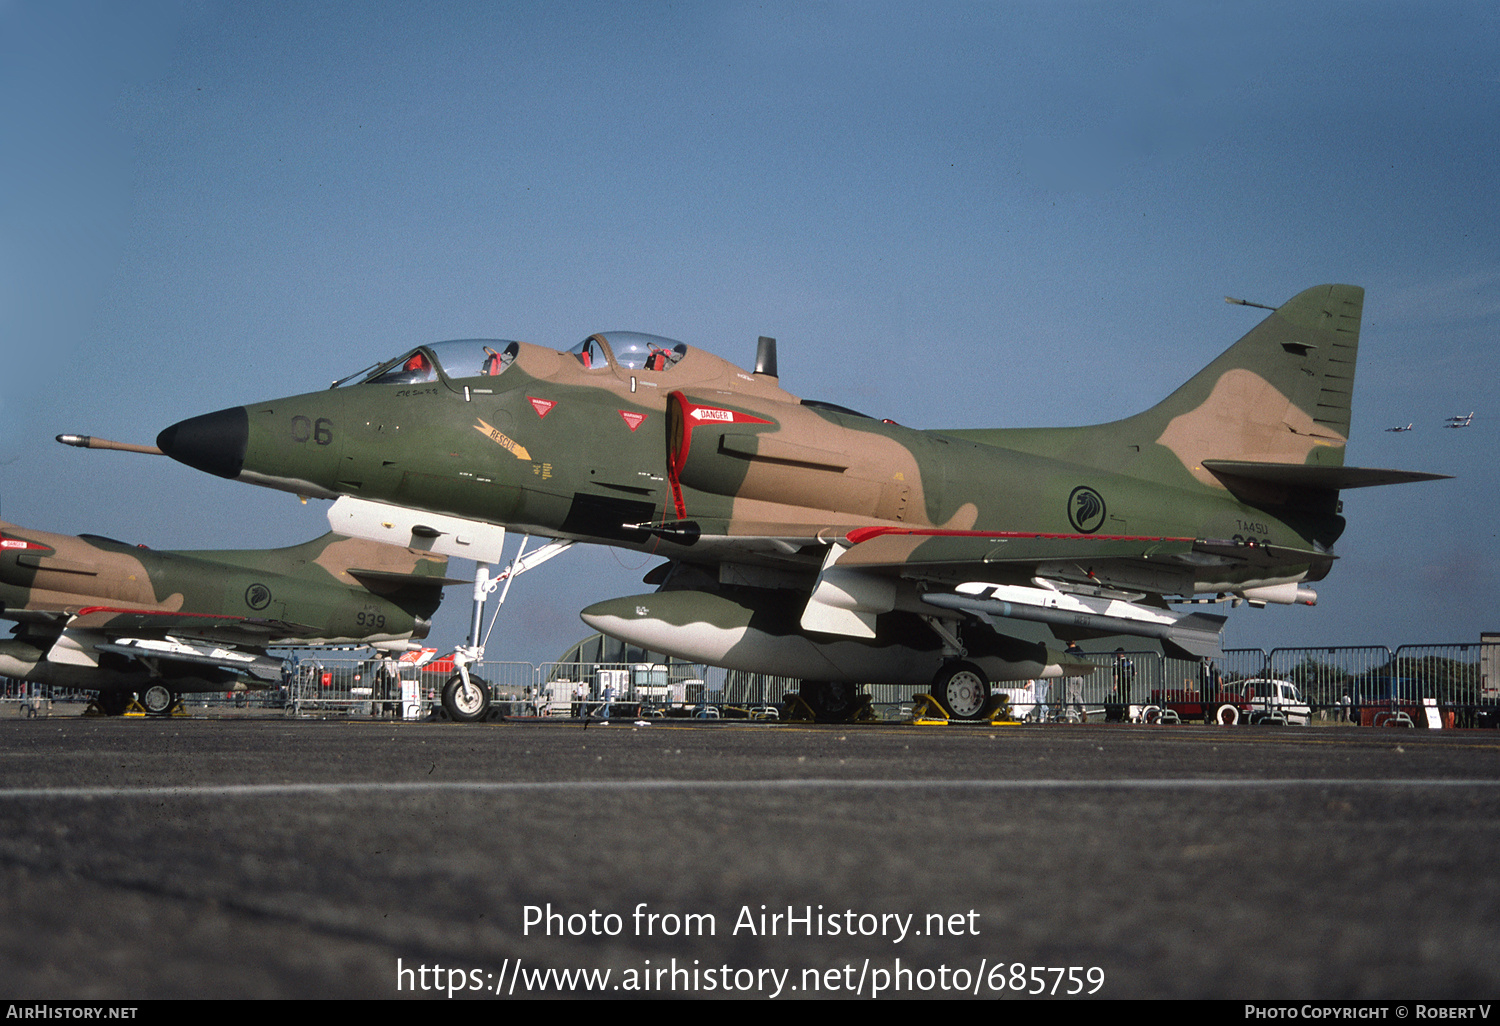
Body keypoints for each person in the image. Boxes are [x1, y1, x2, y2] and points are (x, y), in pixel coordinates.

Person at [1063, 641, 1088, 722]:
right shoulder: (1081, 652)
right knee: (1077, 694)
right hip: (1080, 676)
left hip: (1071, 675)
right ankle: (1083, 709)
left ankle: (1070, 717)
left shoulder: (1067, 652)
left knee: (1069, 695)